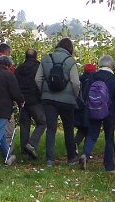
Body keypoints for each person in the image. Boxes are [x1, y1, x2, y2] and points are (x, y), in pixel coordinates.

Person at [75, 54, 115, 170]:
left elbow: (85, 94)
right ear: (111, 65)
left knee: (92, 134)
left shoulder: (93, 76)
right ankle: (109, 167)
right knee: (109, 138)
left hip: (94, 110)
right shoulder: (113, 78)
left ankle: (85, 154)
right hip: (109, 111)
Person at [35, 38, 81, 166]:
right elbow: (75, 82)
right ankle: (71, 158)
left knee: (51, 129)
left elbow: (37, 79)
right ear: (70, 48)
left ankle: (50, 159)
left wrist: (43, 92)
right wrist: (75, 96)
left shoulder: (46, 58)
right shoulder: (70, 61)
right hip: (67, 100)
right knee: (68, 128)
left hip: (48, 99)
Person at [15, 49, 47, 160]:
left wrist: (19, 99)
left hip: (22, 101)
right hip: (35, 100)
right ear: (36, 56)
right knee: (42, 122)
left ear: (26, 56)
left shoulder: (19, 68)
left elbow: (15, 84)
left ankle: (25, 153)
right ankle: (31, 144)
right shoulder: (39, 67)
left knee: (24, 126)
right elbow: (41, 83)